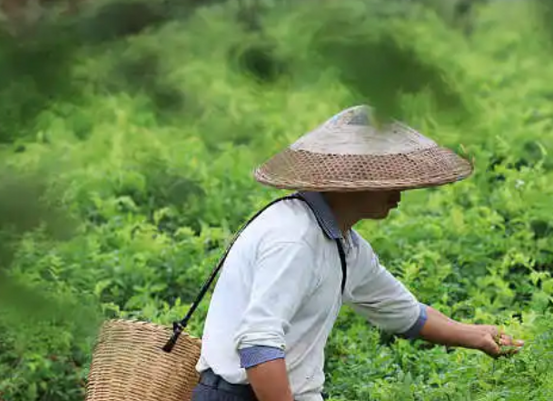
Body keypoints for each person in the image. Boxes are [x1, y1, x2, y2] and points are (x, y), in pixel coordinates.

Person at [190, 105, 524, 401]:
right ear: (352, 182)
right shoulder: (293, 238)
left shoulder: (344, 244)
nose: (399, 194)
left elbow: (406, 313)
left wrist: (479, 335)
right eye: (388, 181)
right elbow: (258, 345)